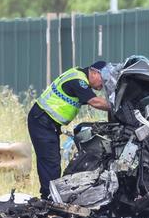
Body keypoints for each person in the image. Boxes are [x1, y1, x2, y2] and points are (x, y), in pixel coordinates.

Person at [27, 61, 111, 199]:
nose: (103, 85)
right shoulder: (79, 81)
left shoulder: (79, 77)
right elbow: (95, 102)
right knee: (50, 161)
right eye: (104, 79)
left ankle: (51, 197)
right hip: (42, 120)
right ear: (95, 72)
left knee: (51, 160)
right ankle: (49, 198)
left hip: (46, 122)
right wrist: (116, 106)